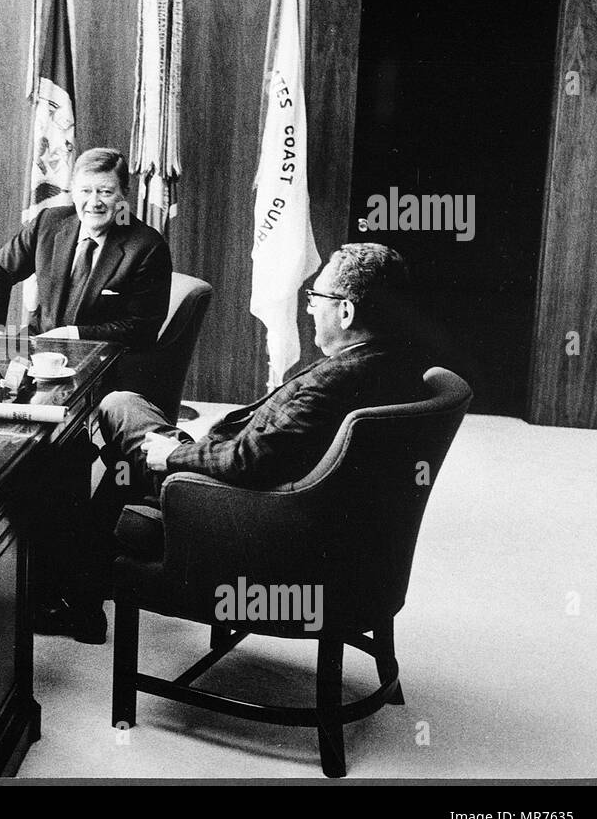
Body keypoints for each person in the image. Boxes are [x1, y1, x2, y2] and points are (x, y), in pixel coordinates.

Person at [69, 243, 428, 644]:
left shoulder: (336, 382)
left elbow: (249, 460)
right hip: (309, 517)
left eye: (316, 297)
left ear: (345, 311)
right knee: (128, 427)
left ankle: (81, 582)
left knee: (118, 409)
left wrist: (174, 455)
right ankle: (91, 571)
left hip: (241, 511)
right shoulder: (399, 362)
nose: (309, 308)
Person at [0, 147, 172, 347]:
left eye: (105, 192)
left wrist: (73, 334)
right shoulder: (48, 223)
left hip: (104, 362)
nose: (94, 202)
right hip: (39, 347)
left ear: (124, 194)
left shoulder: (147, 247)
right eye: (85, 191)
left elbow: (141, 328)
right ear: (73, 191)